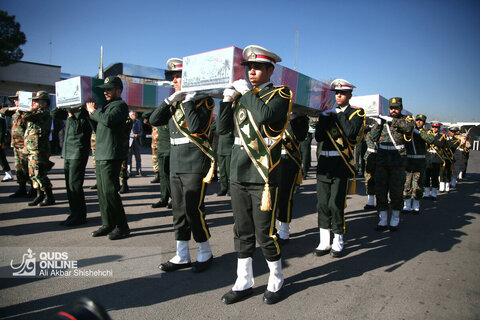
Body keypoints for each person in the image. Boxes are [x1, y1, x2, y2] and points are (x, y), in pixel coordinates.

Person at [218, 45, 292, 305]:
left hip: (263, 173)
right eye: (249, 67)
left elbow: (265, 117)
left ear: (270, 70)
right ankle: (244, 280)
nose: (252, 71)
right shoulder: (242, 96)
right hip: (238, 170)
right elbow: (223, 129)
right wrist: (226, 101)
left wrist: (247, 93)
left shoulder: (280, 94)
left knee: (265, 233)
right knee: (242, 231)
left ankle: (276, 278)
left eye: (258, 67)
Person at [150, 58, 215, 273]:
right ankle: (182, 254)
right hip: (176, 160)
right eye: (173, 77)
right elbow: (153, 120)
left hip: (195, 160)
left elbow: (196, 127)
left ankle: (205, 251)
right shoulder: (174, 102)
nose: (175, 81)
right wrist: (170, 101)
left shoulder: (204, 101)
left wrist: (187, 100)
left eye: (179, 77)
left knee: (193, 209)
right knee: (178, 209)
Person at [313, 79, 365, 257]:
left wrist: (337, 115)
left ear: (350, 95)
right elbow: (319, 137)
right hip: (324, 164)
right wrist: (324, 119)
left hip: (341, 164)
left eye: (343, 93)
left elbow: (351, 133)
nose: (339, 96)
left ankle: (338, 239)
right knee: (322, 203)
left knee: (335, 204)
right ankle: (324, 240)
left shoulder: (356, 113)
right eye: (337, 93)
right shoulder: (327, 113)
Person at [86, 76, 130, 240]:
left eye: (109, 89)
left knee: (111, 191)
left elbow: (109, 121)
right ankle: (108, 223)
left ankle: (122, 226)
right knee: (102, 191)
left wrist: (94, 112)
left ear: (118, 90)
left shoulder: (120, 106)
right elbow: (99, 127)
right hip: (102, 153)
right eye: (105, 89)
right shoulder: (106, 107)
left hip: (111, 154)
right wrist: (90, 114)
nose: (105, 92)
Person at [371, 97, 414, 231]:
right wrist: (378, 123)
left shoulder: (404, 120)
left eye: (396, 108)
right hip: (382, 158)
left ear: (400, 108)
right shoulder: (383, 121)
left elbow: (409, 128)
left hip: (397, 159)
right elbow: (372, 137)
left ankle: (395, 217)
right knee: (381, 190)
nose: (393, 110)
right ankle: (383, 219)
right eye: (391, 108)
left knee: (396, 191)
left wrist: (393, 121)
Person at [51, 104, 92, 226]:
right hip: (68, 152)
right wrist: (61, 105)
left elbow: (77, 129)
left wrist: (71, 114)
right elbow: (53, 113)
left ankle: (80, 215)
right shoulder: (71, 112)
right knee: (69, 186)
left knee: (75, 185)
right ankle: (74, 213)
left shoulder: (84, 114)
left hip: (77, 153)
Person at [276, 113, 309, 243]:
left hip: (288, 161)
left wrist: (294, 118)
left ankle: (284, 229)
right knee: (271, 197)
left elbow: (301, 136)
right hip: (272, 160)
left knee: (284, 197)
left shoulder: (300, 118)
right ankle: (271, 228)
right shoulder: (276, 113)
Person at [23, 91, 55, 206]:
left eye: (38, 101)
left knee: (40, 173)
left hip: (39, 149)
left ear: (45, 103)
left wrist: (31, 109)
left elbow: (26, 116)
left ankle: (49, 196)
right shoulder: (36, 113)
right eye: (34, 101)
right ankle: (39, 195)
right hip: (31, 148)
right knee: (33, 174)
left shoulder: (44, 114)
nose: (34, 103)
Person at [0, 92, 34, 197]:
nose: (15, 101)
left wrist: (23, 109)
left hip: (25, 145)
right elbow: (2, 111)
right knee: (19, 168)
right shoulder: (15, 112)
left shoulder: (28, 113)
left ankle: (33, 188)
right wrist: (14, 108)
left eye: (17, 99)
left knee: (28, 168)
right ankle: (21, 188)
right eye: (14, 100)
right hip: (16, 144)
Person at [402, 114, 436, 214]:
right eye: (417, 120)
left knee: (418, 185)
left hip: (420, 162)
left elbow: (431, 139)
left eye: (421, 121)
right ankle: (407, 205)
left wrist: (418, 133)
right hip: (408, 161)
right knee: (406, 184)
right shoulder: (409, 131)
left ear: (424, 123)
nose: (418, 122)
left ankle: (416, 205)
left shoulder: (425, 133)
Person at [211, 118, 234, 196]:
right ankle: (223, 188)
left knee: (229, 171)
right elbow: (211, 127)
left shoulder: (233, 118)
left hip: (229, 148)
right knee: (222, 171)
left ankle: (231, 189)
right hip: (220, 148)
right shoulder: (219, 120)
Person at [423, 122, 446, 200]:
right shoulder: (428, 135)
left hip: (436, 158)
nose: (434, 129)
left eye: (436, 128)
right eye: (433, 127)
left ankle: (434, 194)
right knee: (426, 176)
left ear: (439, 129)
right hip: (428, 157)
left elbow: (441, 144)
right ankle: (426, 193)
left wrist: (431, 140)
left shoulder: (441, 136)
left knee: (435, 177)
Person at [439, 127, 459, 193]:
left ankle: (447, 187)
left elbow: (452, 146)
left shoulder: (456, 140)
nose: (453, 133)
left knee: (448, 172)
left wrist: (445, 141)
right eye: (452, 132)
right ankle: (441, 187)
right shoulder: (444, 137)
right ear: (449, 131)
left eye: (454, 132)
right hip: (442, 157)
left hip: (450, 158)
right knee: (442, 172)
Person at [363, 121, 377, 210]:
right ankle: (370, 201)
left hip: (382, 156)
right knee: (369, 179)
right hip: (370, 156)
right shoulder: (367, 129)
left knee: (382, 181)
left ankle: (381, 202)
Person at [127, 111, 144, 176]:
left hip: (137, 141)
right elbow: (126, 131)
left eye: (136, 114)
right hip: (130, 141)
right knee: (129, 157)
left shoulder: (138, 122)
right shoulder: (127, 122)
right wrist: (133, 135)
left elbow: (141, 130)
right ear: (130, 116)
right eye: (133, 115)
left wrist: (139, 134)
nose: (135, 116)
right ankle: (129, 170)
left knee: (138, 157)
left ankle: (139, 170)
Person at [0, 112, 13, 182]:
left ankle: (8, 173)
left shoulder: (1, 119)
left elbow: (2, 131)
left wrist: (1, 141)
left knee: (1, 158)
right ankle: (8, 173)